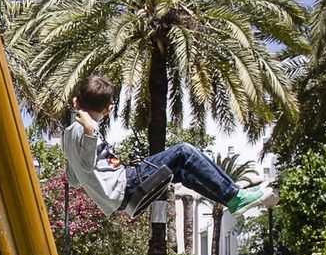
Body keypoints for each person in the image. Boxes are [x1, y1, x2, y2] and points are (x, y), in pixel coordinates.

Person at [61, 74, 276, 221]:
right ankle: (235, 195)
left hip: (120, 199)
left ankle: (231, 199)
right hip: (127, 186)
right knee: (184, 151)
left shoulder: (67, 136)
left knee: (180, 171)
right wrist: (90, 132)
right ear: (108, 110)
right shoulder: (86, 131)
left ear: (75, 102)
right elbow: (87, 167)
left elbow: (73, 177)